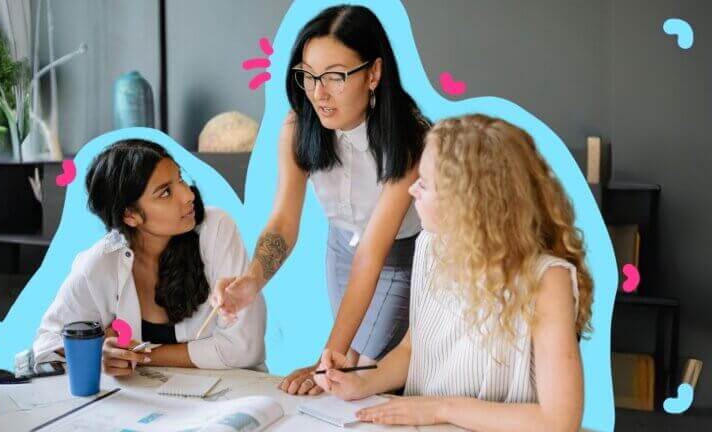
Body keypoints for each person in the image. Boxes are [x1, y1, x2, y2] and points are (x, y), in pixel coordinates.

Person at [315, 115, 593, 431]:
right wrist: (363, 382)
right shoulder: (430, 246)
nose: (412, 191)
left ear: (468, 201)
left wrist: (439, 409)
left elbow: (559, 421)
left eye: (426, 183)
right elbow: (412, 350)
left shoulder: (546, 280)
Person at [213, 4, 430, 395]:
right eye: (309, 76)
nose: (319, 93)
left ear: (373, 73)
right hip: (341, 253)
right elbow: (283, 222)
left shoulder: (409, 138)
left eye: (335, 77)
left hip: (397, 259)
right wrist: (251, 281)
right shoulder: (298, 128)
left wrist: (326, 359)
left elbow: (374, 251)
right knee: (347, 373)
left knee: (364, 372)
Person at [33, 140, 266, 375]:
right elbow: (46, 344)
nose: (187, 195)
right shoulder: (101, 263)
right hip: (151, 404)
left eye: (181, 179)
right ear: (130, 215)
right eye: (165, 192)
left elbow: (244, 348)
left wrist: (141, 355)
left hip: (233, 395)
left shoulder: (216, 229)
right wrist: (100, 350)